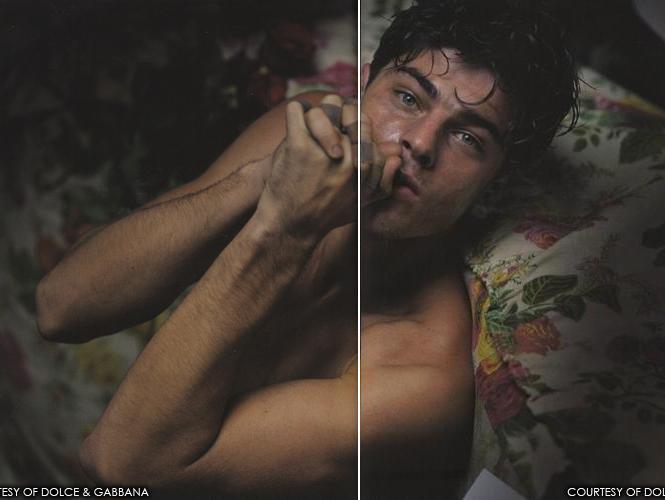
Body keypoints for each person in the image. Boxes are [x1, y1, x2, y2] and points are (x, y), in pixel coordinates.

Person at [35, 0, 579, 498]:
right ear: (365, 87)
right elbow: (61, 306)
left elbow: (118, 465)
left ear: (496, 181)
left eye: (468, 138)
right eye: (408, 97)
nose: (418, 142)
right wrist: (260, 178)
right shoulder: (311, 125)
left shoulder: (423, 371)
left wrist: (284, 228)